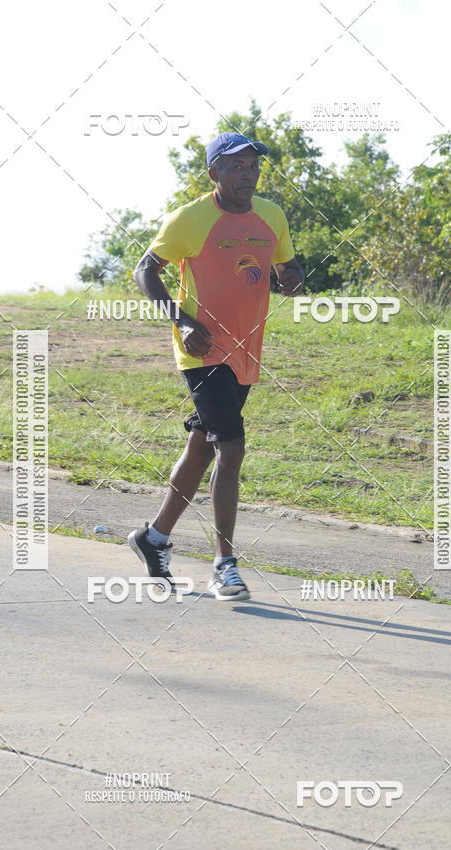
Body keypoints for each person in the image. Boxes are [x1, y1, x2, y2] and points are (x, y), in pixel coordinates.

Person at [129, 131, 304, 601]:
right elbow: (145, 270)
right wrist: (182, 321)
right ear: (215, 173)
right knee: (231, 447)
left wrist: (291, 279)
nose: (249, 174)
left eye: (253, 166)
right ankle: (225, 564)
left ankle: (155, 537)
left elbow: (290, 268)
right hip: (202, 348)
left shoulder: (272, 215)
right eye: (237, 166)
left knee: (204, 446)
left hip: (247, 349)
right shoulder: (189, 219)